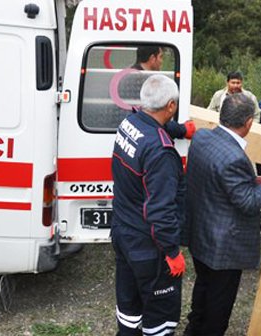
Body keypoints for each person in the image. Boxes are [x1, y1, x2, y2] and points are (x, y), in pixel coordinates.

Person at [182, 93, 261, 336]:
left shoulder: (202, 137)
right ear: (248, 123)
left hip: (200, 235)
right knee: (219, 307)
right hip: (223, 248)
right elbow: (248, 202)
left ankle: (193, 330)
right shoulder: (234, 158)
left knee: (203, 288)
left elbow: (217, 184)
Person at [111, 75, 186, 336]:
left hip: (123, 232)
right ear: (171, 106)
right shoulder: (161, 153)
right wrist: (173, 253)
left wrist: (182, 130)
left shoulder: (129, 123)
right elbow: (161, 212)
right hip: (147, 246)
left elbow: (154, 125)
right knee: (159, 316)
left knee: (129, 308)